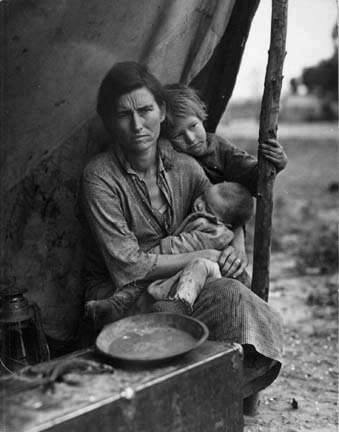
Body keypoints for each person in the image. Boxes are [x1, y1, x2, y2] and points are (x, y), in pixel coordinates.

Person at [80, 61, 283, 403]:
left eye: (145, 110)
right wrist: (204, 255)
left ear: (161, 112)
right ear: (109, 122)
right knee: (179, 319)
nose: (137, 125)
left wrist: (236, 247)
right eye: (123, 115)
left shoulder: (185, 166)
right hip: (124, 294)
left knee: (235, 295)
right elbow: (127, 267)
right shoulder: (100, 176)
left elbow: (223, 213)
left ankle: (212, 400)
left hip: (180, 289)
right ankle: (184, 397)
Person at [162, 84, 288, 277]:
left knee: (233, 272)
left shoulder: (219, 148)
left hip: (219, 229)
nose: (190, 138)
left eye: (193, 126)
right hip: (185, 234)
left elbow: (253, 178)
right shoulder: (171, 158)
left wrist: (276, 163)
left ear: (202, 118)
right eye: (178, 135)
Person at [147, 181, 254, 313]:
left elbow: (184, 245)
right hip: (207, 280)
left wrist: (156, 251)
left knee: (200, 264)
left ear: (225, 223)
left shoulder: (214, 232)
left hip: (215, 276)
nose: (199, 204)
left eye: (208, 209)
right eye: (203, 196)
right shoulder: (205, 219)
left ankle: (181, 303)